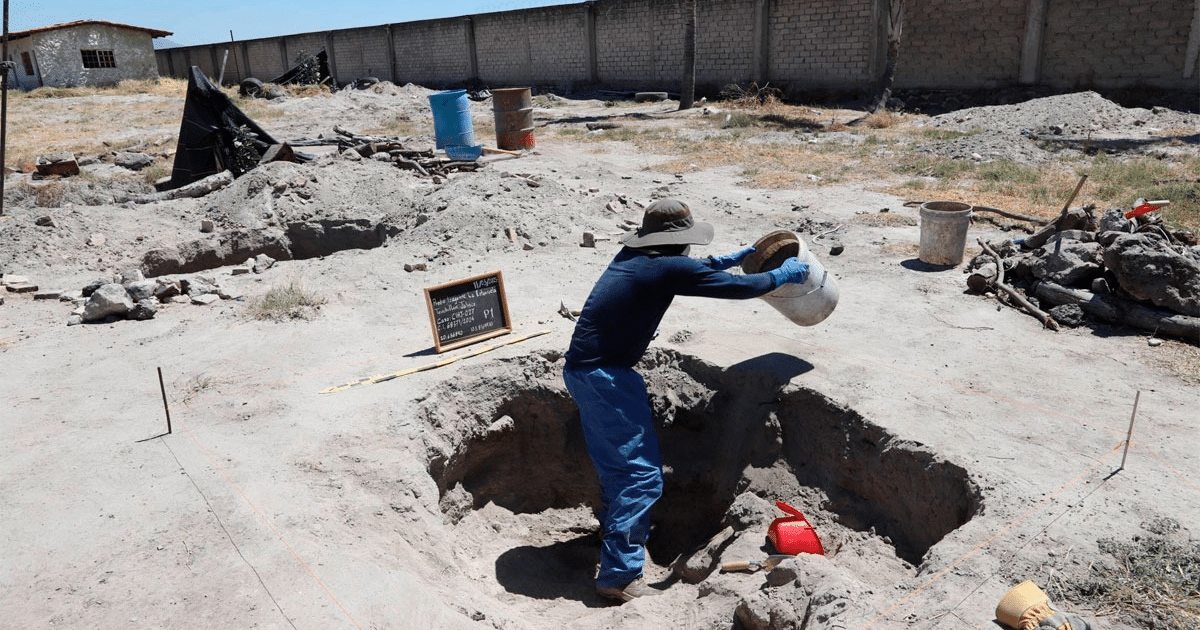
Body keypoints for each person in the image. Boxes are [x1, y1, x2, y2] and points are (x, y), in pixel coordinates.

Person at [562, 198, 811, 602]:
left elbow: (684, 273)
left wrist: (723, 261)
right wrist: (782, 274)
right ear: (678, 242)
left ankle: (615, 538)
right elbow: (740, 288)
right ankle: (619, 576)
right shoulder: (665, 265)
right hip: (606, 378)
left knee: (617, 468)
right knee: (640, 477)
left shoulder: (638, 256)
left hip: (587, 372)